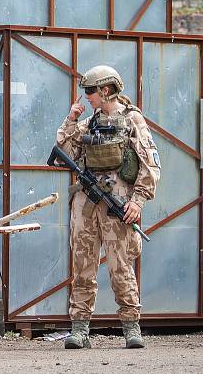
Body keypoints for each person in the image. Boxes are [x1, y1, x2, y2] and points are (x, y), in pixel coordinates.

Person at [56, 65, 161, 349]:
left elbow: (150, 163)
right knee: (82, 266)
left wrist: (138, 201)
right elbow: (62, 154)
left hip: (119, 203)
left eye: (90, 91)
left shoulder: (132, 120)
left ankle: (131, 327)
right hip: (87, 203)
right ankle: (79, 328)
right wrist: (70, 119)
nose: (86, 96)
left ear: (105, 90)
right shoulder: (87, 124)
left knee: (121, 266)